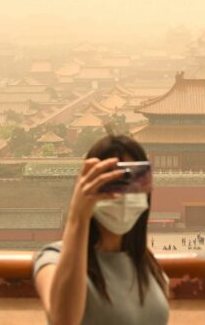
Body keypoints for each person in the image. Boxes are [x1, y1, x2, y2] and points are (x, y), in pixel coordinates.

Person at [32, 135, 169, 325]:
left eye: (135, 177)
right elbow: (63, 321)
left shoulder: (145, 263)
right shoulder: (53, 258)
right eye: (114, 180)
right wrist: (78, 217)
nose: (125, 193)